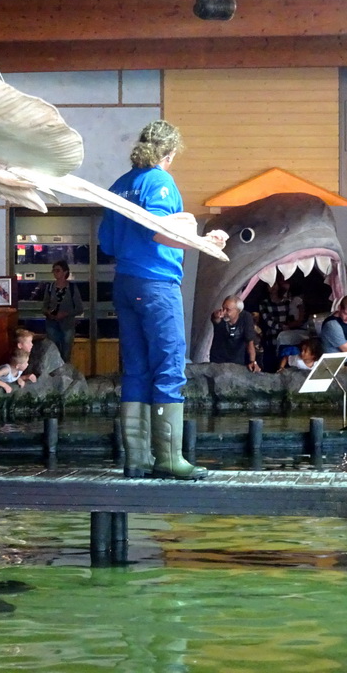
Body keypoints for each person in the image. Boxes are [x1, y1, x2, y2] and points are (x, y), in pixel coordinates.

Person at [97, 120, 228, 480]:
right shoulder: (159, 181)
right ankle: (169, 458)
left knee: (136, 368)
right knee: (169, 365)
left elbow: (106, 243)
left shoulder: (119, 186)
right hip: (156, 284)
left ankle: (136, 460)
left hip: (124, 283)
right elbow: (160, 231)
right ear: (169, 154)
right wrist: (205, 242)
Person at [41, 260, 83, 364]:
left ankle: (65, 374)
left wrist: (66, 314)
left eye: (58, 270)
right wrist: (48, 312)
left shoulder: (72, 288)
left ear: (65, 272)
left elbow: (79, 308)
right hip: (52, 323)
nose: (55, 273)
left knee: (66, 352)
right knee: (53, 351)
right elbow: (43, 306)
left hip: (67, 325)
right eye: (54, 271)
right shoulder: (50, 287)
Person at [209, 295, 260, 372]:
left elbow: (249, 341)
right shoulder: (220, 316)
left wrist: (252, 361)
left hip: (237, 360)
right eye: (223, 308)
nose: (224, 312)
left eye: (228, 310)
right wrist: (216, 316)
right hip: (218, 360)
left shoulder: (246, 317)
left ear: (238, 311)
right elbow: (216, 320)